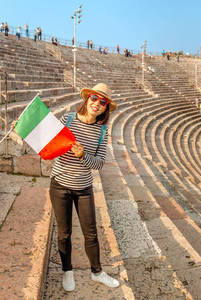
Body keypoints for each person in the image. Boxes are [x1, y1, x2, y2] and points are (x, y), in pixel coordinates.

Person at [12, 84, 120, 292]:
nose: (97, 104)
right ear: (87, 98)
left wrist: (83, 156)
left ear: (106, 108)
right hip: (60, 185)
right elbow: (46, 141)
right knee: (64, 233)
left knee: (91, 234)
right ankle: (67, 270)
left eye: (103, 102)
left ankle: (97, 272)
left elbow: (98, 164)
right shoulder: (68, 120)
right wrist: (24, 128)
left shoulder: (101, 132)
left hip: (83, 188)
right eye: (95, 98)